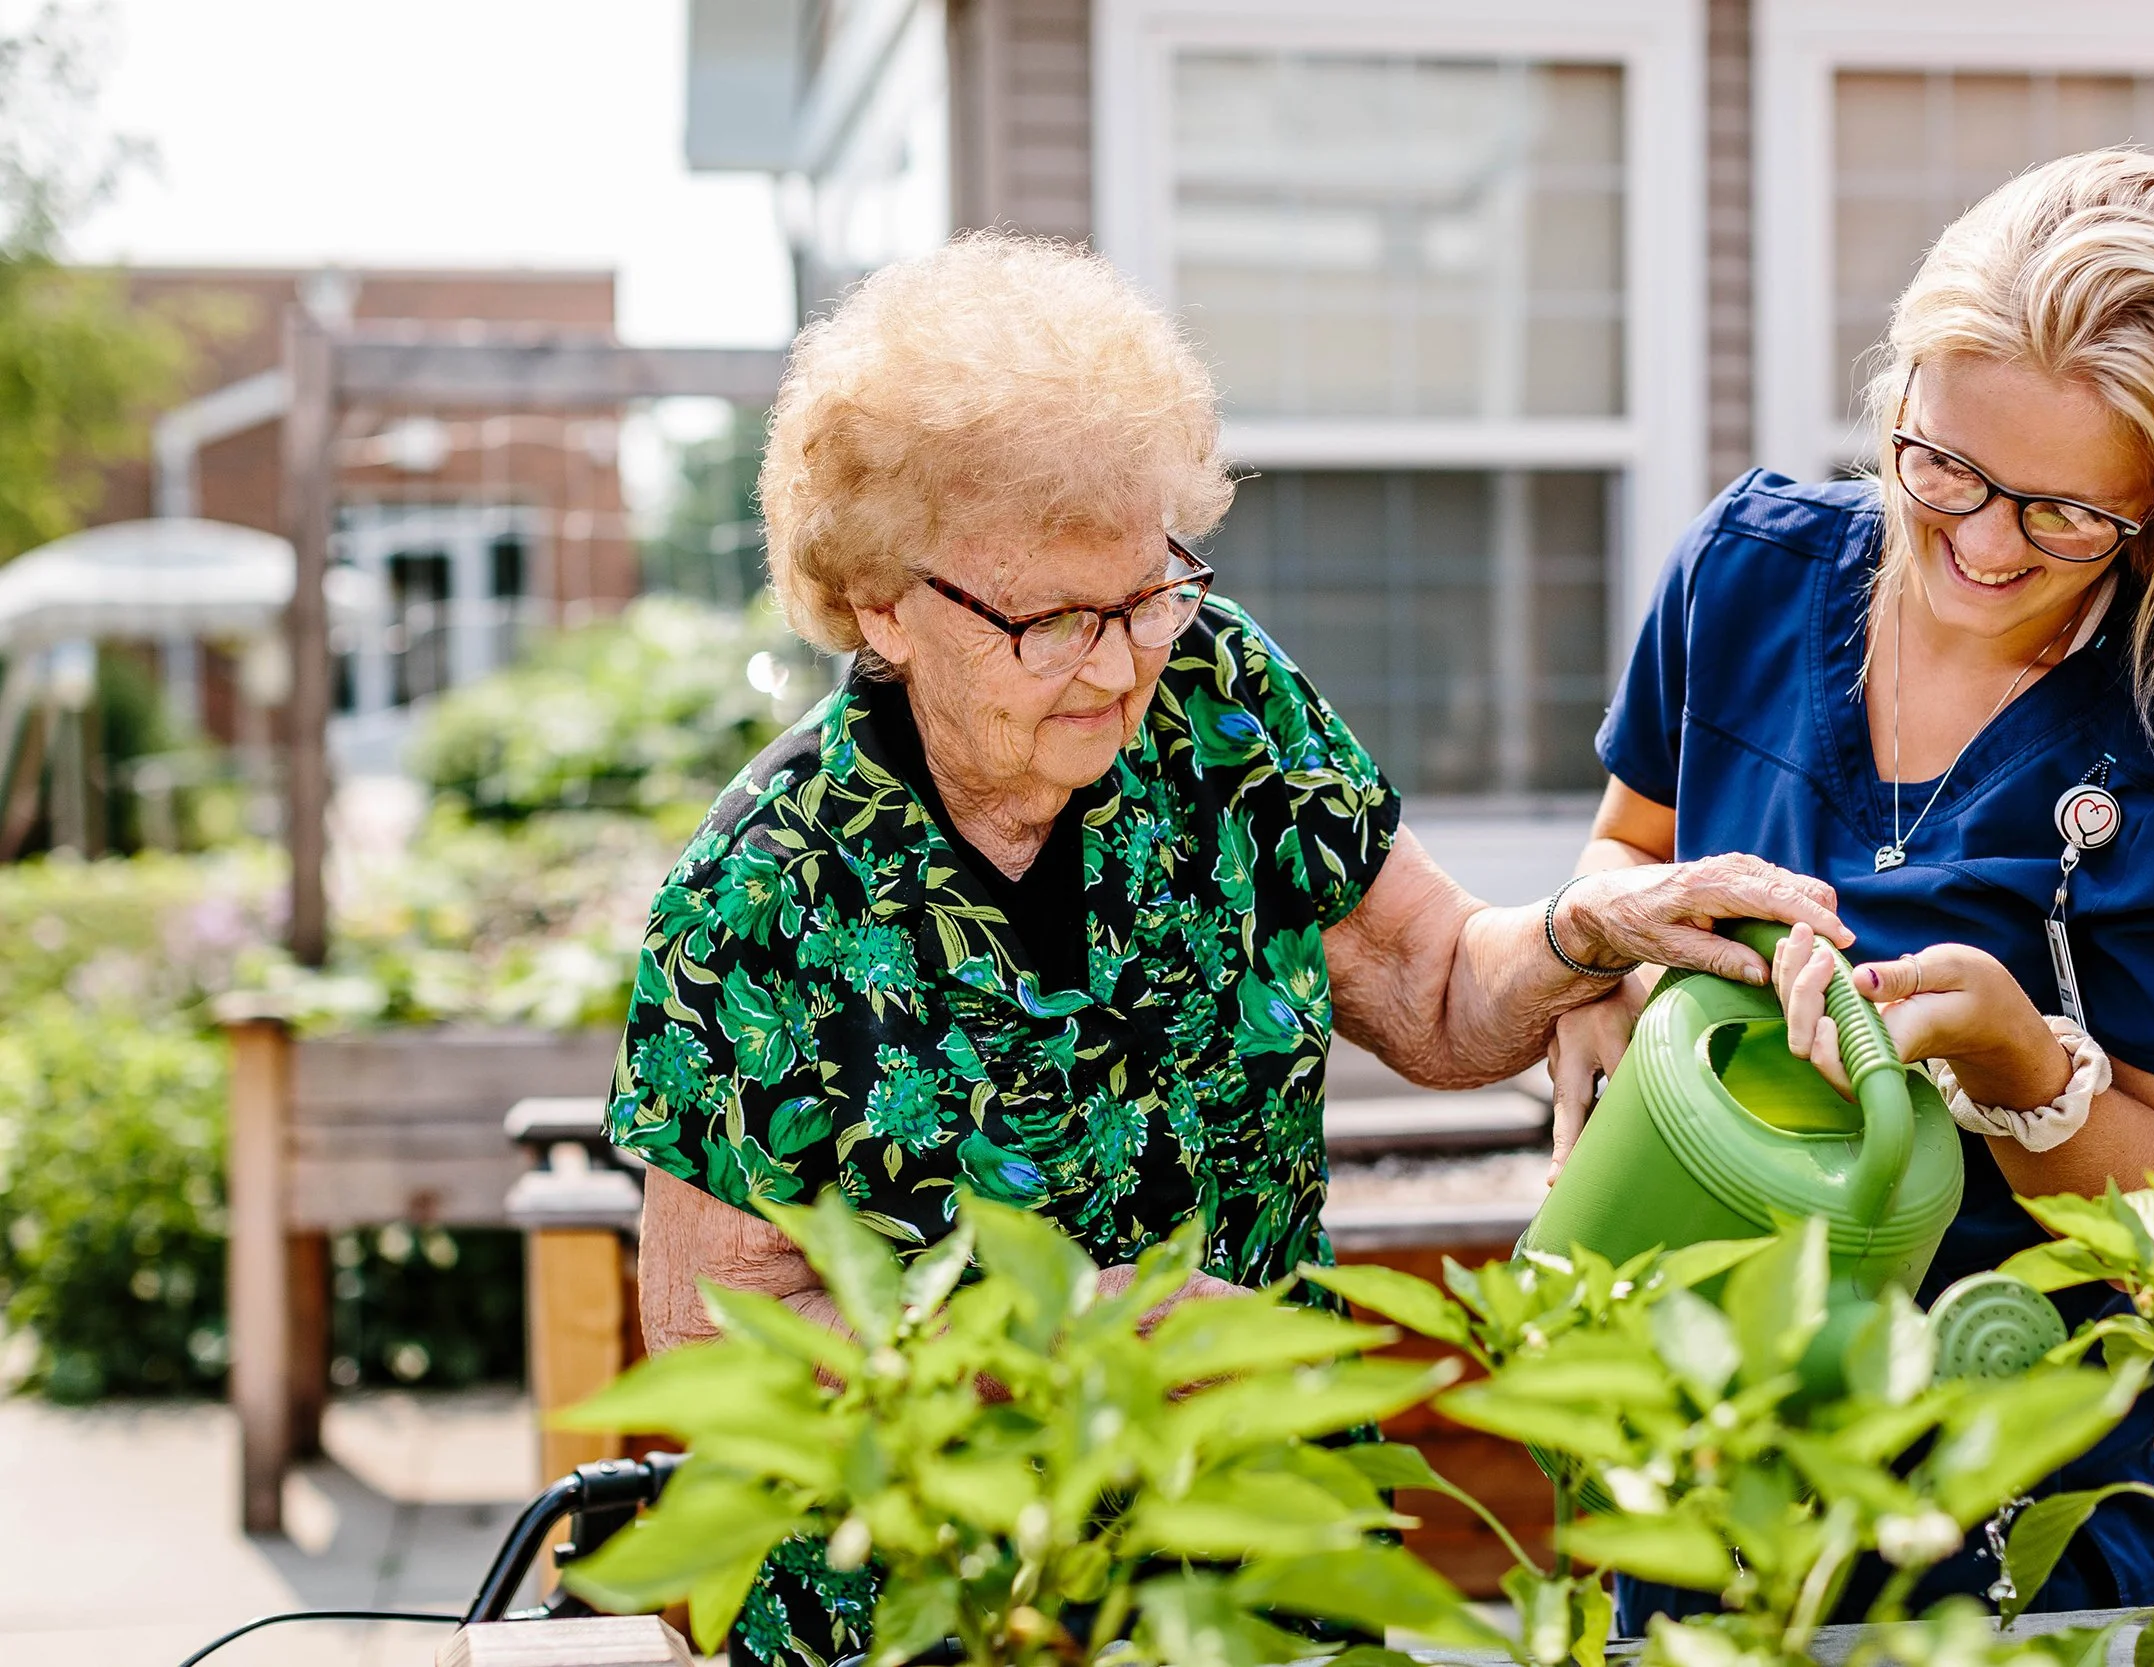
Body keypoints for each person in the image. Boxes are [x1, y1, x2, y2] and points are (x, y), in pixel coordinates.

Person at [603, 232, 1842, 1667]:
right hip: (944, 1603)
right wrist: (1066, 1337)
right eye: (1053, 620)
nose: (1124, 660)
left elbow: (1434, 987)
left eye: (1146, 589)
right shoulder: (763, 895)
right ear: (883, 600)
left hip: (1266, 1549)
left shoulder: (1218, 697)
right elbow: (714, 1344)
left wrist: (1581, 930)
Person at [1550, 150, 2154, 1623]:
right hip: (1699, 1439)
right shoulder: (1745, 575)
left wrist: (2023, 1064)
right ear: (1900, 396)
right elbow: (1628, 846)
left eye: (2064, 517)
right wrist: (1602, 971)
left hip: (2010, 1489)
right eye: (1949, 468)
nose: (1984, 545)